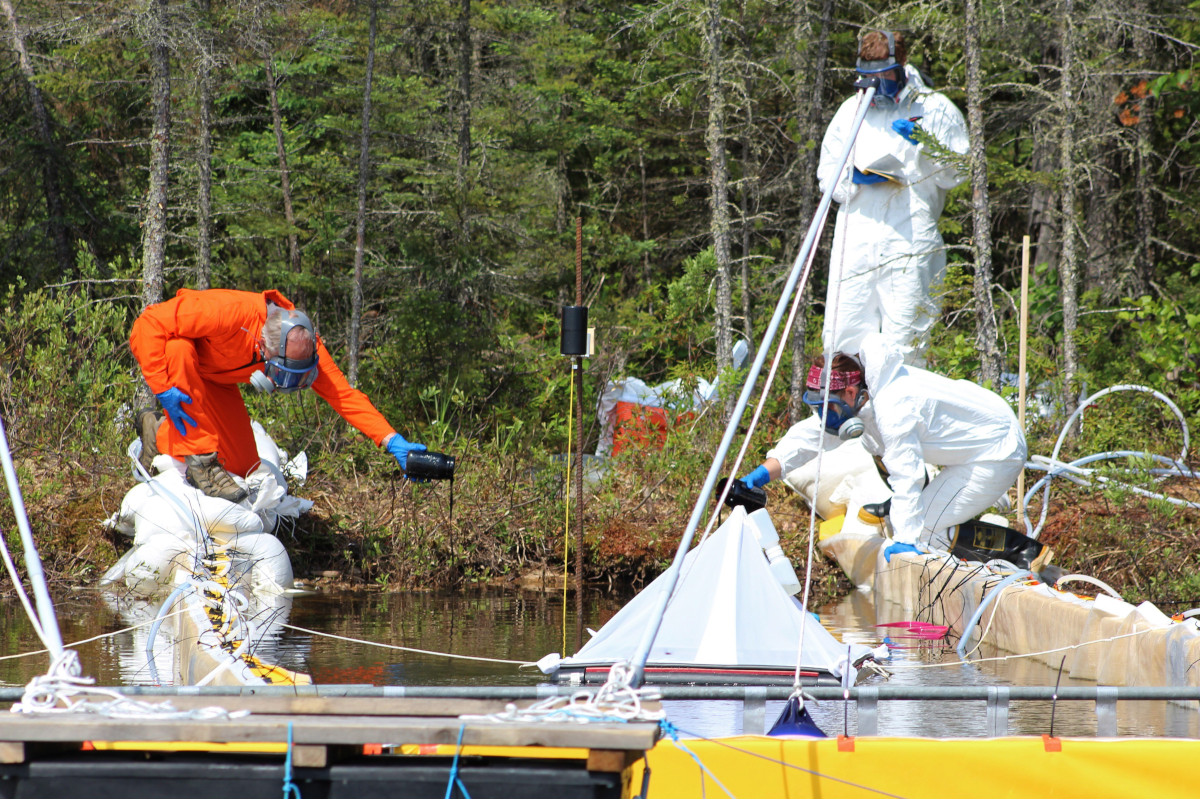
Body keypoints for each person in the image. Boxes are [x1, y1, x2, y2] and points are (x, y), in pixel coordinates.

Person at [737, 333, 1026, 561]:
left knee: (921, 528)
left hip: (996, 451)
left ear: (850, 392)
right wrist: (763, 474)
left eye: (829, 409)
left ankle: (1017, 551)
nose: (826, 418)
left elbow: (907, 473)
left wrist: (906, 541)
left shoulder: (894, 405)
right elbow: (808, 438)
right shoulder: (859, 399)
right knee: (910, 518)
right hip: (964, 450)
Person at [129, 288, 426, 503]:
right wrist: (161, 386)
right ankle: (202, 464)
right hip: (183, 372)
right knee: (178, 348)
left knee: (242, 466)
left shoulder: (305, 348)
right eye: (281, 375)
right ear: (263, 345)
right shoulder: (228, 312)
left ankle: (159, 429)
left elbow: (344, 396)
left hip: (217, 382)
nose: (284, 385)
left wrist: (392, 441)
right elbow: (148, 323)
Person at [818, 30, 969, 366]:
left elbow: (958, 170)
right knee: (843, 335)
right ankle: (845, 414)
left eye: (884, 75)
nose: (875, 84)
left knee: (906, 342)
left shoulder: (933, 108)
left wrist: (926, 144)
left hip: (909, 238)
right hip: (856, 237)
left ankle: (900, 415)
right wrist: (853, 179)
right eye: (868, 76)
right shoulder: (852, 110)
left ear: (900, 65)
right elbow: (828, 174)